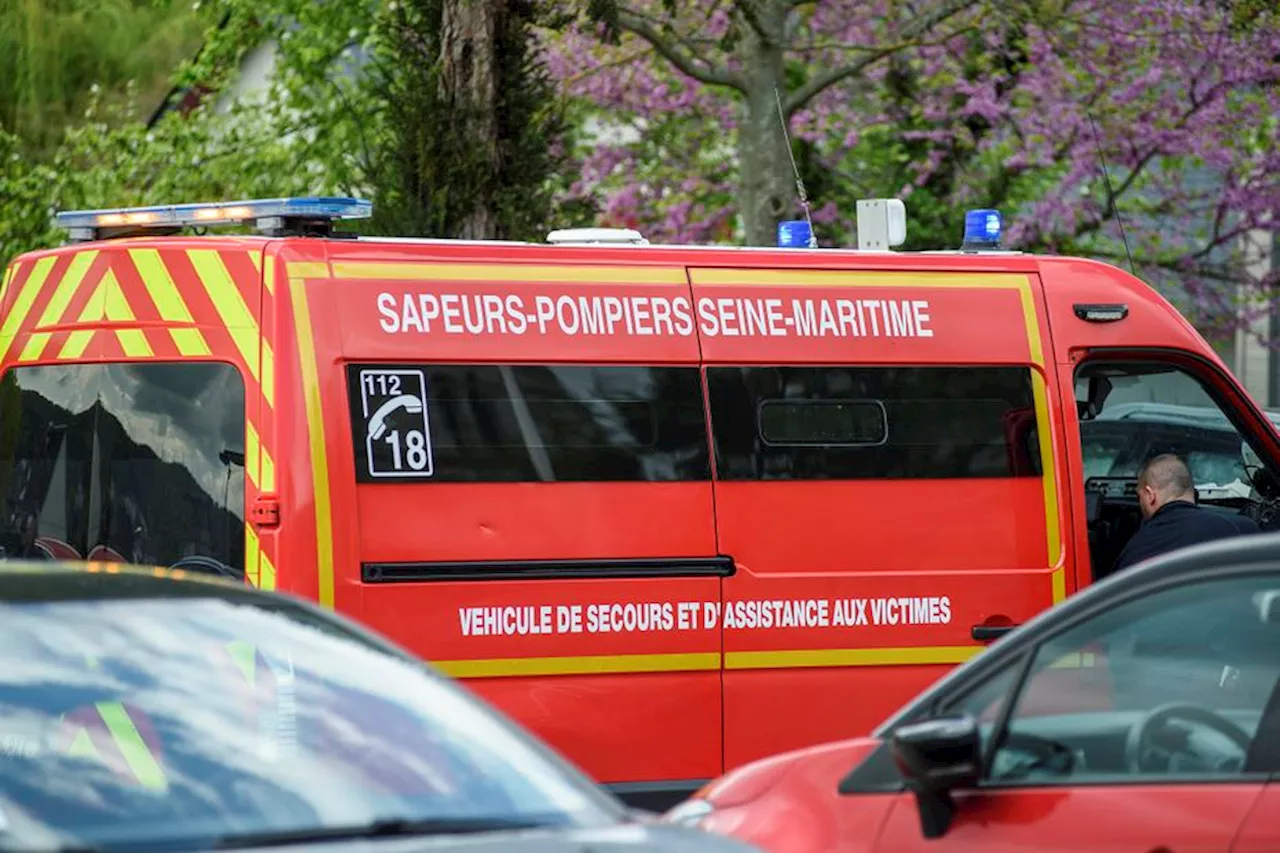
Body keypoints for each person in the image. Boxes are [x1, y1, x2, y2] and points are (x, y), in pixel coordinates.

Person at [1110, 453, 1260, 575]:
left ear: (1150, 495)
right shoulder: (1230, 531)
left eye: (1140, 497)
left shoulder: (1139, 548)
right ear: (1191, 491)